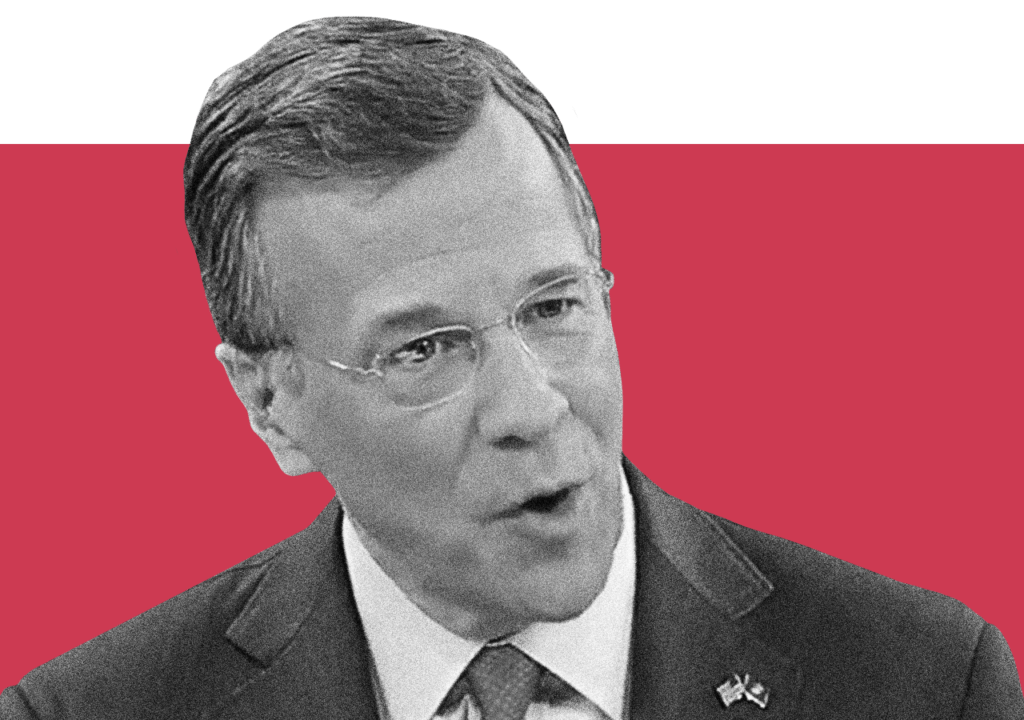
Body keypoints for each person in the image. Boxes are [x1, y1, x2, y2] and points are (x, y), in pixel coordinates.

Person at [2, 15, 1020, 720]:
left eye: (553, 306)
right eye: (423, 349)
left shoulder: (927, 682)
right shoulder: (85, 712)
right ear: (269, 402)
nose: (532, 408)